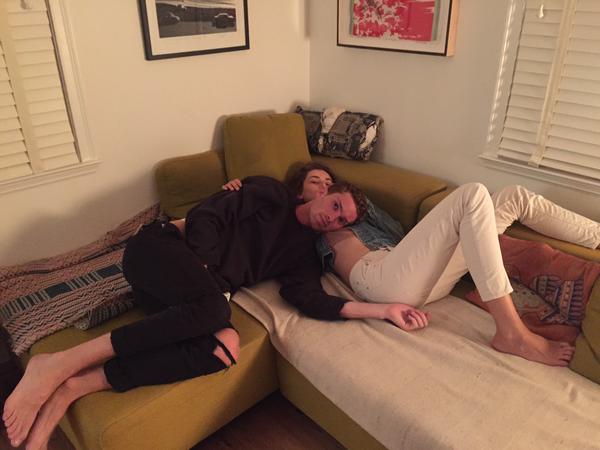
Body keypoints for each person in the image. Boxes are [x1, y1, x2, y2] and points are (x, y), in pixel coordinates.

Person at [5, 175, 419, 450]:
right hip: (156, 251)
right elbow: (208, 215)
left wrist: (382, 309)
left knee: (225, 347)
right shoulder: (270, 193)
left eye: (340, 220)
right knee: (213, 308)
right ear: (322, 194)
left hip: (177, 296)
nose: (331, 217)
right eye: (335, 204)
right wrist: (207, 274)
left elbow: (310, 299)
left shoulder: (302, 256)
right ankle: (57, 362)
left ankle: (75, 386)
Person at [224, 163, 600, 366]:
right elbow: (261, 222)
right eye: (315, 183)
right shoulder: (300, 226)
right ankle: (511, 332)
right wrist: (239, 189)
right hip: (379, 279)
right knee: (472, 194)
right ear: (299, 190)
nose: (324, 188)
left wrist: (359, 205)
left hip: (415, 272)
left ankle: (596, 235)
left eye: (329, 183)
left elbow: (400, 233)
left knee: (513, 196)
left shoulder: (352, 213)